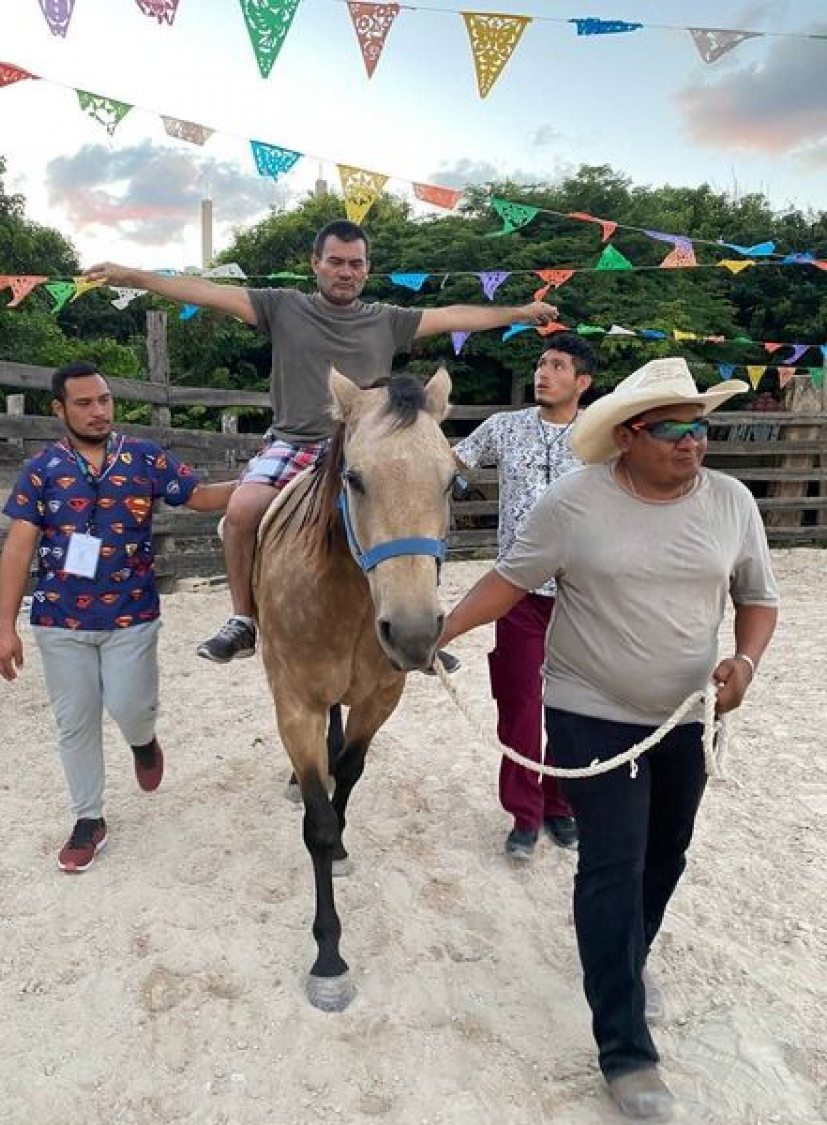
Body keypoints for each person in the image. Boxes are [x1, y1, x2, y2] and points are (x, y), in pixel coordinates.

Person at [438, 357, 778, 1120]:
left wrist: (746, 662)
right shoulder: (574, 502)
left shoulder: (732, 501)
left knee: (668, 852)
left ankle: (624, 958)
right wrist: (441, 629)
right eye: (672, 429)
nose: (692, 441)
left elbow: (757, 597)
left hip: (686, 715)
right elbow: (512, 578)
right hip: (591, 708)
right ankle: (625, 1047)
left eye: (700, 427)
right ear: (628, 435)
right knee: (613, 863)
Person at [85, 219, 558, 665]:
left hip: (368, 446)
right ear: (316, 263)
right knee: (242, 511)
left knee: (417, 509)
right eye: (336, 261)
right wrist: (135, 276)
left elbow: (455, 314)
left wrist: (518, 312)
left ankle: (421, 626)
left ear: (367, 269)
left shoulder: (387, 319)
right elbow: (207, 292)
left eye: (355, 263)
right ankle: (243, 619)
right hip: (295, 443)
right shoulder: (281, 306)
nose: (345, 271)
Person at [0, 360, 238, 873]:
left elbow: (197, 497)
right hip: (59, 620)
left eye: (103, 400)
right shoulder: (41, 470)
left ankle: (143, 743)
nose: (98, 410)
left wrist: (264, 481)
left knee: (131, 707)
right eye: (83, 403)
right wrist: (4, 628)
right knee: (74, 722)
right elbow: (18, 550)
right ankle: (88, 818)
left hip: (132, 615)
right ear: (58, 409)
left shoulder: (145, 458)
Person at [453, 332, 595, 860]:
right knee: (519, 703)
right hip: (515, 591)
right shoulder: (503, 428)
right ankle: (524, 814)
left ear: (582, 382)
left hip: (585, 595)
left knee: (572, 707)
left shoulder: (603, 438)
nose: (543, 372)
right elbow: (451, 463)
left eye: (557, 365)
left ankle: (560, 804)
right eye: (540, 362)